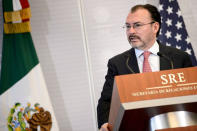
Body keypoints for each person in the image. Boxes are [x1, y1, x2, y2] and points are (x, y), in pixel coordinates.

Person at [97, 4, 193, 131]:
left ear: (155, 27)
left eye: (137, 25)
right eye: (128, 26)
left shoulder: (179, 58)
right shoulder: (117, 63)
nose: (131, 31)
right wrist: (104, 124)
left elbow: (192, 96)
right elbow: (106, 102)